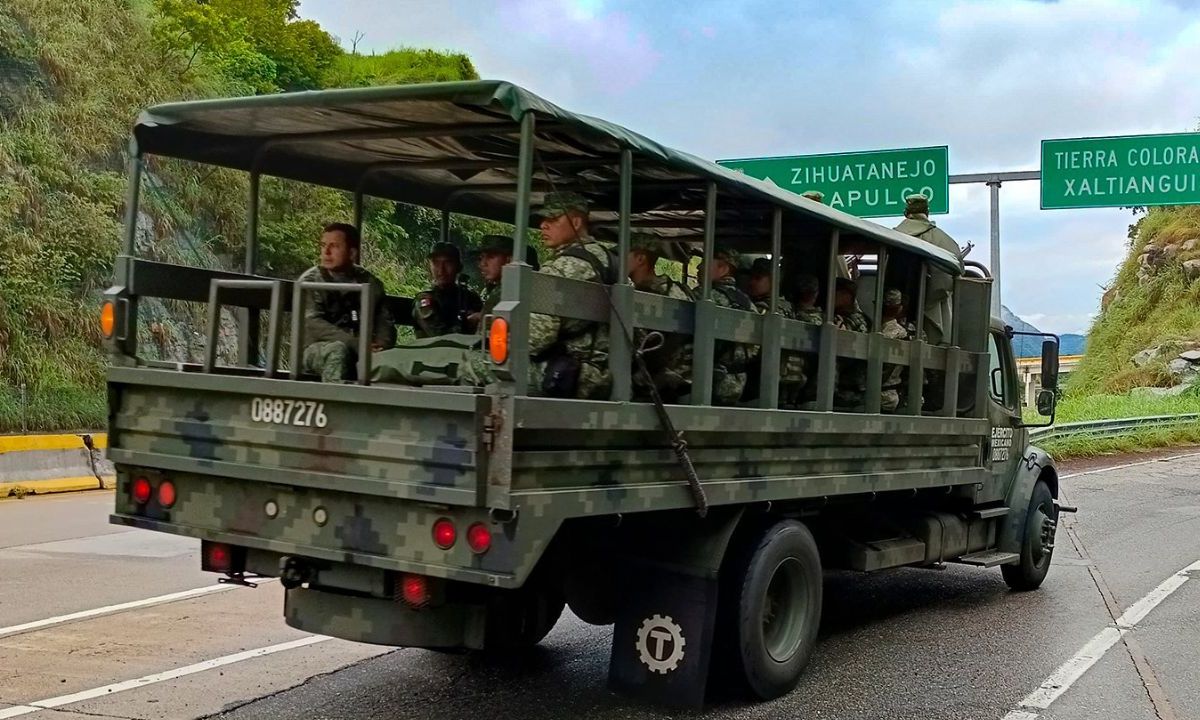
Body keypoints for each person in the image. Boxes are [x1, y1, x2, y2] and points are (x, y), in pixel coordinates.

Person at [460, 192, 617, 399]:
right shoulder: (612, 262)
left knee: (471, 361)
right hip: (602, 375)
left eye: (553, 219)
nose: (543, 225)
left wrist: (500, 339)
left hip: (566, 377)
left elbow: (534, 340)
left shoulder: (559, 269)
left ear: (577, 222)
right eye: (544, 219)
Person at [297, 223, 395, 382]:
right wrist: (355, 344)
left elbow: (384, 322)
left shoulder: (368, 282)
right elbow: (313, 323)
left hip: (360, 349)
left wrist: (381, 348)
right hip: (316, 350)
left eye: (334, 246)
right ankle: (334, 403)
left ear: (352, 253)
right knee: (338, 351)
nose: (326, 252)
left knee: (389, 358)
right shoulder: (310, 281)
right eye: (323, 245)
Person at [628, 233, 694, 402]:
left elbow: (643, 346)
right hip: (671, 378)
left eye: (624, 254)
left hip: (663, 383)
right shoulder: (672, 288)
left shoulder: (652, 294)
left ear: (640, 258)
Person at [893, 193, 960, 346]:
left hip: (895, 305)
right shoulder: (940, 238)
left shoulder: (893, 235)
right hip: (929, 307)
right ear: (927, 212)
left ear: (906, 212)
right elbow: (952, 273)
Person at [746, 258, 807, 407]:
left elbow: (750, 351)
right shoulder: (789, 307)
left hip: (765, 381)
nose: (752, 282)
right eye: (751, 278)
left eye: (758, 278)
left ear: (774, 281)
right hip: (787, 380)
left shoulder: (766, 309)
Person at [703, 246, 758, 405]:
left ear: (722, 268)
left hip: (707, 382)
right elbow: (754, 348)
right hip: (737, 383)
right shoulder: (749, 304)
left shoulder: (706, 297)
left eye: (705, 262)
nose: (699, 267)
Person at [468, 234, 540, 329]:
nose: (482, 264)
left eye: (491, 257)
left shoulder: (506, 292)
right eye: (481, 258)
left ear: (509, 259)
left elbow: (484, 337)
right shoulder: (520, 288)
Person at [413, 242, 483, 338]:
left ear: (458, 267)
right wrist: (468, 323)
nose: (441, 270)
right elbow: (439, 335)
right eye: (436, 263)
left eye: (448, 263)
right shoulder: (425, 300)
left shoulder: (470, 297)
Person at [833, 277, 869, 408]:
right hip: (844, 385)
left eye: (836, 293)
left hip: (849, 387)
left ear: (846, 296)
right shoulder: (840, 316)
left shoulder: (856, 320)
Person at [880, 289, 916, 412]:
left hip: (885, 395)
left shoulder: (898, 333)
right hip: (887, 394)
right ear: (899, 308)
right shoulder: (901, 332)